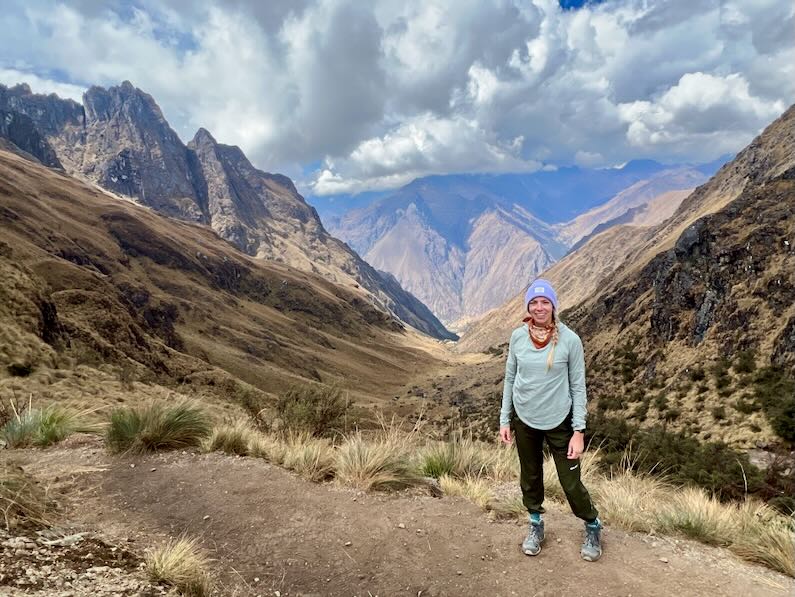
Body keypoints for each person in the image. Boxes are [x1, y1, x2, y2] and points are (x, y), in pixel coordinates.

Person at [498, 278, 602, 561]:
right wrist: (504, 419)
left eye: (545, 302)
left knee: (571, 484)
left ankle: (592, 524)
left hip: (560, 422)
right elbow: (510, 378)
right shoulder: (518, 336)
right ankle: (535, 524)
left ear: (554, 306)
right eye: (534, 302)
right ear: (528, 307)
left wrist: (578, 430)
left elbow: (578, 386)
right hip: (524, 419)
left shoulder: (570, 340)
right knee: (530, 477)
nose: (540, 307)